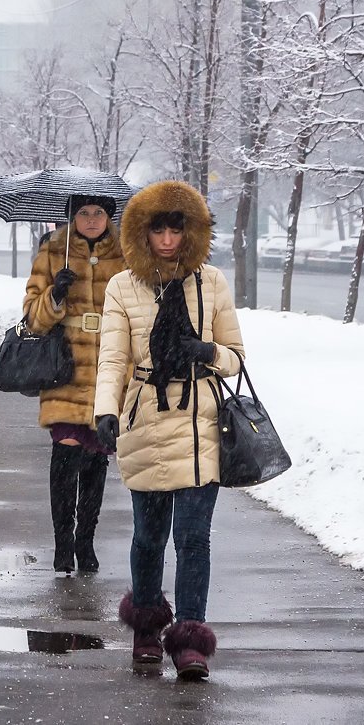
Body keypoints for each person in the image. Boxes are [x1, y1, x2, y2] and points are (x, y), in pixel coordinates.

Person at [93, 180, 245, 680]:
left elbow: (236, 357)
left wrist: (207, 352)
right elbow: (113, 357)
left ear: (191, 229)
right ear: (142, 232)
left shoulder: (212, 282)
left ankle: (190, 639)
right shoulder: (122, 286)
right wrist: (105, 410)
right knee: (148, 536)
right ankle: (146, 628)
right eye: (156, 227)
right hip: (145, 420)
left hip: (200, 421)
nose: (167, 237)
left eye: (176, 226)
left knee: (194, 537)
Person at [22, 195, 126, 575]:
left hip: (109, 370)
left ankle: (87, 541)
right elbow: (32, 318)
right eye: (83, 213)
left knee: (97, 459)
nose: (92, 220)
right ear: (71, 216)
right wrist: (56, 294)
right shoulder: (53, 251)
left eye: (99, 213)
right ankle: (63, 543)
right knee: (65, 458)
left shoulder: (127, 252)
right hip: (66, 370)